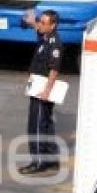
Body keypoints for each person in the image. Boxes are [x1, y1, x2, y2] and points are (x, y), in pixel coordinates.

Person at [19, 9, 63, 174]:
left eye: (44, 23)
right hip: (37, 86)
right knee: (46, 124)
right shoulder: (45, 36)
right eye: (40, 21)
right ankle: (51, 159)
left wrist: (46, 91)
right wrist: (32, 22)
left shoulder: (54, 44)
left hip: (42, 90)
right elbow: (37, 28)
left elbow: (54, 69)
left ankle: (38, 162)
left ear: (53, 25)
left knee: (36, 126)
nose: (40, 25)